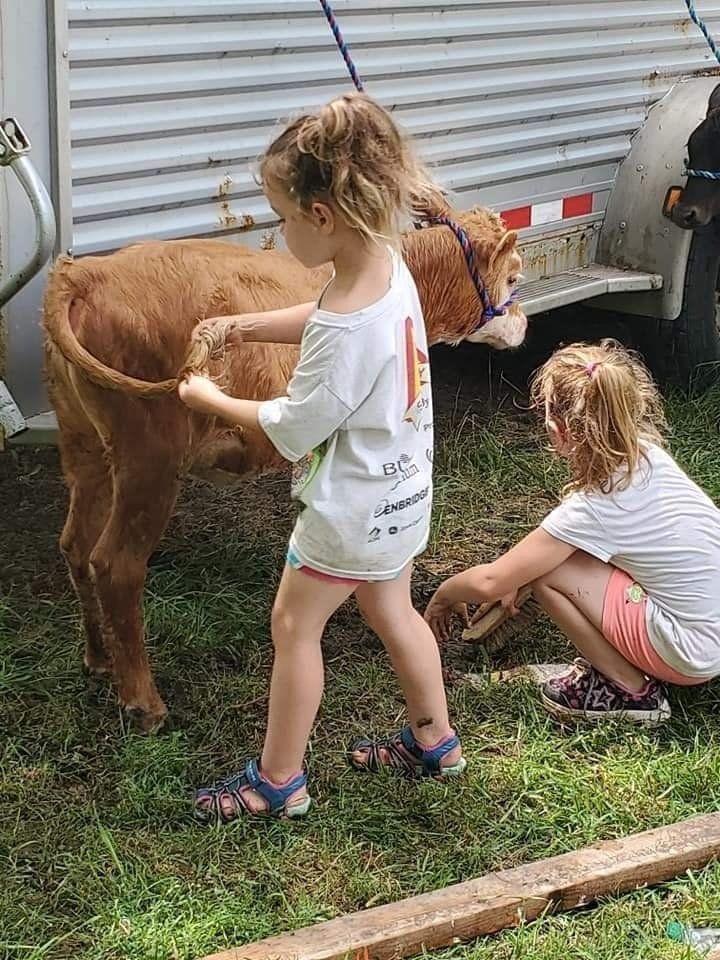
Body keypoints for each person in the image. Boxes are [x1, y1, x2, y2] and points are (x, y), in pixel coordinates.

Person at [178, 92, 465, 823]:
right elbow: (327, 312)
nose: (277, 234)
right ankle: (437, 742)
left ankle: (277, 782)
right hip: (402, 495)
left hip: (347, 515)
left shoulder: (345, 324)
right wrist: (244, 327)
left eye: (279, 216)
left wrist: (207, 399)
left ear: (322, 217)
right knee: (391, 607)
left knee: (293, 626)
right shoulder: (385, 267)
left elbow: (287, 429)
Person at [425, 340, 720, 724]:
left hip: (691, 652)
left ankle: (630, 690)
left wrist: (444, 593)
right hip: (710, 629)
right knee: (554, 558)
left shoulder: (594, 507)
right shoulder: (648, 457)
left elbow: (490, 581)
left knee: (550, 570)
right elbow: (566, 538)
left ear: (557, 429)